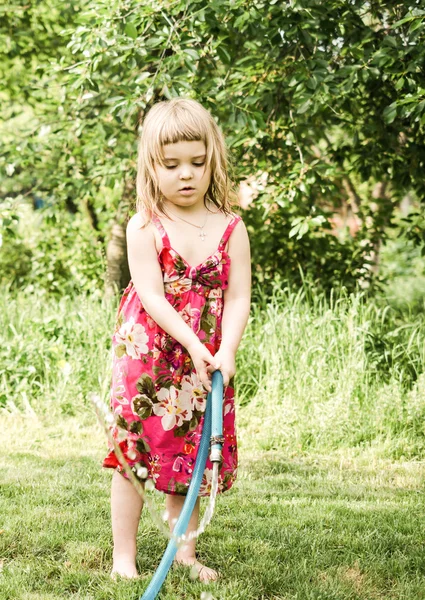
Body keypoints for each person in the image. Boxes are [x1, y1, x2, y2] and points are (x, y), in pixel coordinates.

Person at [103, 97, 251, 582]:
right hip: (148, 355)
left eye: (196, 162)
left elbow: (236, 298)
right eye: (171, 165)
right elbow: (151, 296)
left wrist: (225, 350)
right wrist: (192, 342)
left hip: (205, 360)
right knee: (133, 458)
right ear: (152, 165)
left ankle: (183, 554)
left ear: (213, 159)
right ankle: (123, 557)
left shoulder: (231, 227)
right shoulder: (145, 224)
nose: (185, 174)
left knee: (188, 456)